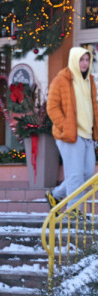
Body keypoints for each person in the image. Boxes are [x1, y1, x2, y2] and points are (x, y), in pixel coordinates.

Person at [46, 46, 98, 209]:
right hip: (69, 135)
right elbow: (52, 107)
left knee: (87, 174)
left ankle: (55, 195)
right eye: (81, 59)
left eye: (87, 59)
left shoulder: (89, 81)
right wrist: (65, 126)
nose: (84, 63)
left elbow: (93, 107)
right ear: (73, 60)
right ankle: (74, 214)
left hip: (87, 136)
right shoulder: (61, 80)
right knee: (75, 176)